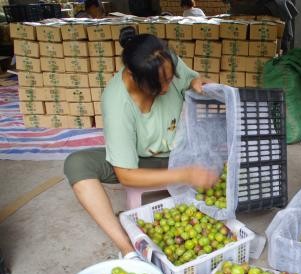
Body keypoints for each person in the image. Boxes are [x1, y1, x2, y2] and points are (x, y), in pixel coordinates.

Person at [63, 26, 218, 260]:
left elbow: (192, 78)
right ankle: (127, 248)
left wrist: (198, 82)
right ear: (136, 78)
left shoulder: (165, 62)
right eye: (159, 85)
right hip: (145, 162)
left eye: (170, 79)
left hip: (183, 151)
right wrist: (185, 175)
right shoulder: (117, 103)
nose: (168, 88)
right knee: (77, 164)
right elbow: (125, 174)